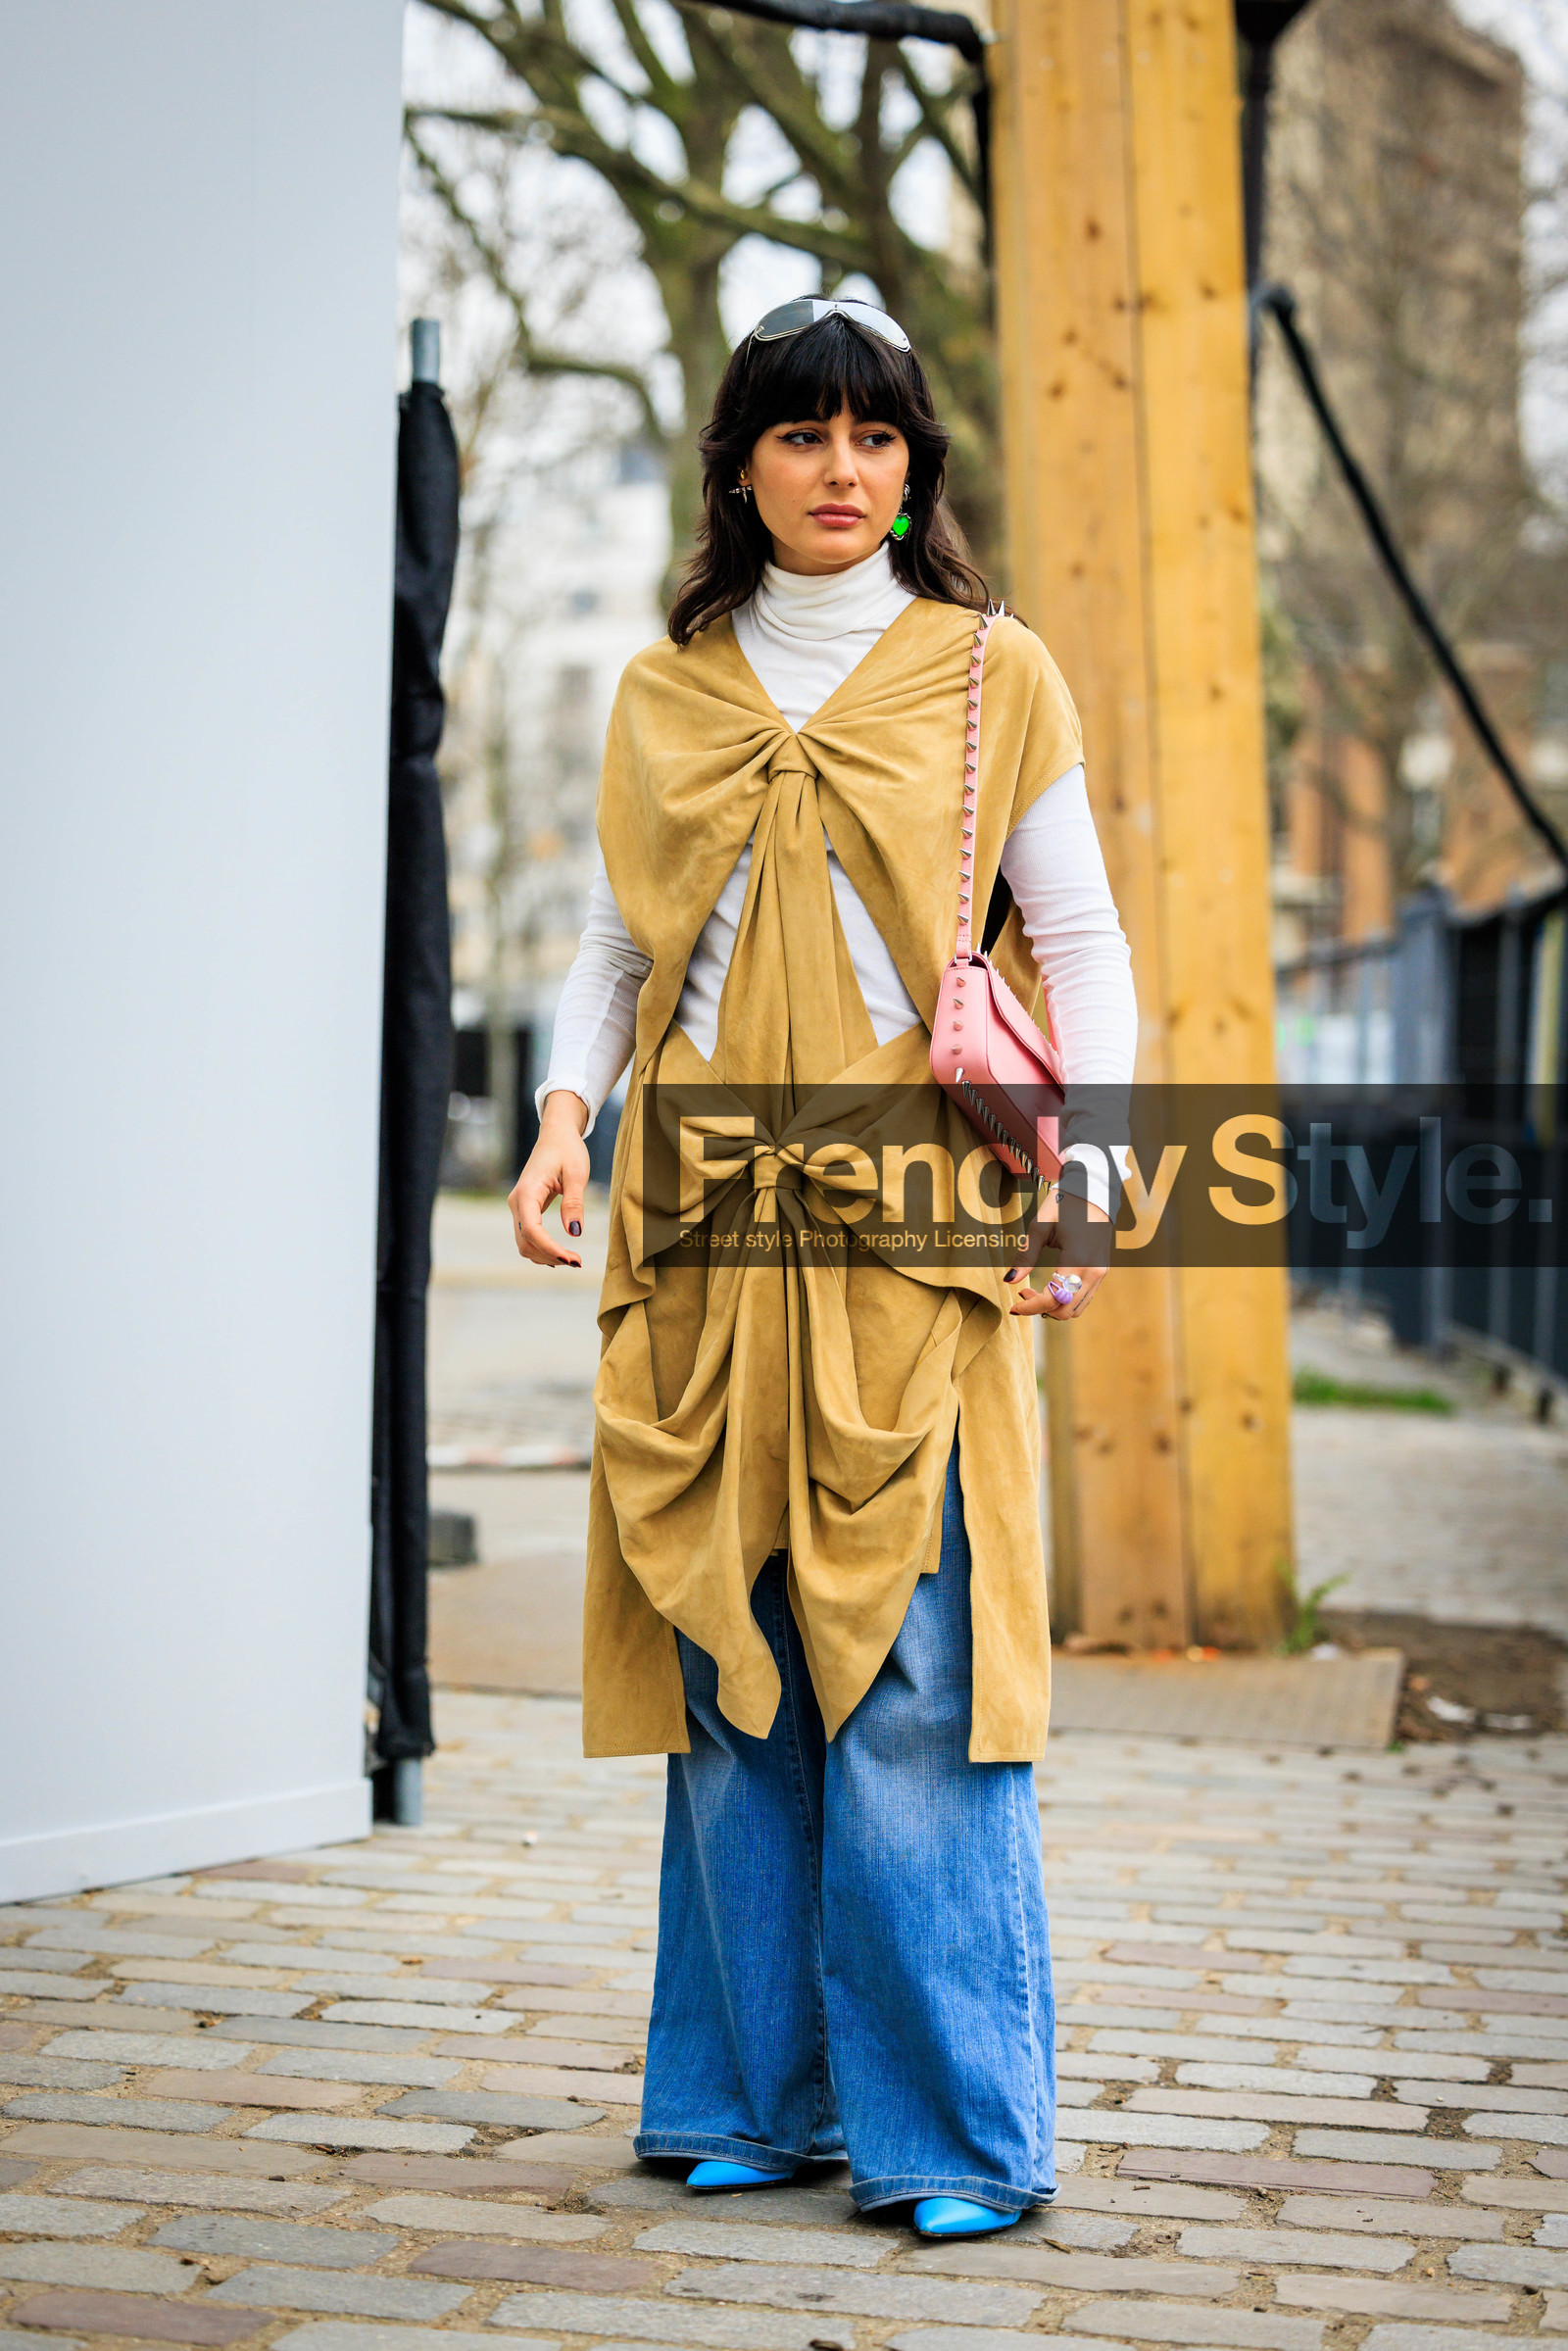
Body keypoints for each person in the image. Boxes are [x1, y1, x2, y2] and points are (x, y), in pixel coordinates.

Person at [509, 296, 1137, 2236]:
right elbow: (620, 946)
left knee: (917, 1679)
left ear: (913, 469)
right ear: (740, 466)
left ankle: (953, 2136)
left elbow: (1081, 938)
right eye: (801, 437)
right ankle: (744, 2100)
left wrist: (1094, 1171)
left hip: (913, 1235)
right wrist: (559, 1115)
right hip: (701, 1230)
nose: (840, 471)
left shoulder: (984, 673)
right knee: (730, 1662)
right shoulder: (662, 687)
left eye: (875, 438)